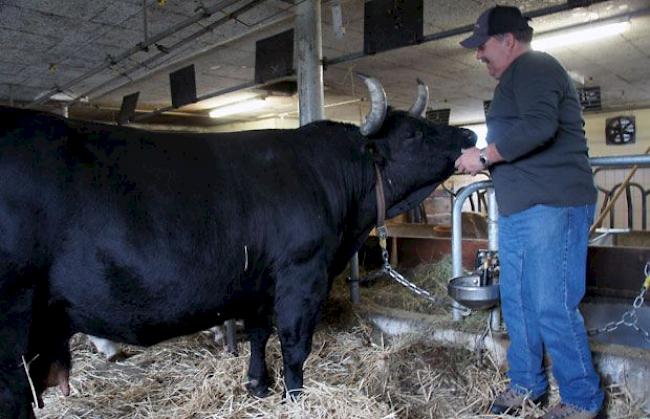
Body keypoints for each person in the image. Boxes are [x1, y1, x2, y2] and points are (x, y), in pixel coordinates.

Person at [454, 5, 604, 419]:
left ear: (508, 40)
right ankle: (526, 385)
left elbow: (541, 126)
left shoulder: (536, 66)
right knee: (517, 301)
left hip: (552, 204)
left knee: (552, 304)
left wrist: (484, 156)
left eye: (482, 45)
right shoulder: (512, 80)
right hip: (522, 209)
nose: (479, 54)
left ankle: (581, 400)